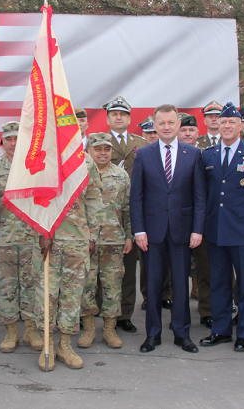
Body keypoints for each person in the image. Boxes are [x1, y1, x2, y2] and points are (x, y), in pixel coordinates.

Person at [131, 104, 206, 355]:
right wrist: (139, 230)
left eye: (171, 122)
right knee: (152, 285)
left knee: (181, 286)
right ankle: (153, 334)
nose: (166, 127)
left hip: (183, 231)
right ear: (155, 124)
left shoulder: (193, 154)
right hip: (151, 232)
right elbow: (137, 197)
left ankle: (182, 333)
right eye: (161, 123)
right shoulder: (144, 154)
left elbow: (199, 197)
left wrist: (198, 229)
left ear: (178, 125)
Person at [200, 103, 244, 352]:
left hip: (243, 231)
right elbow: (204, 194)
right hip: (217, 230)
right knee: (218, 283)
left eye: (232, 122)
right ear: (217, 126)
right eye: (223, 122)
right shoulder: (207, 155)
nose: (227, 126)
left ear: (240, 126)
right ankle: (220, 329)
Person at [34, 153, 102, 371]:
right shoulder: (42, 155)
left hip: (77, 238)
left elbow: (94, 199)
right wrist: (41, 230)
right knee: (47, 293)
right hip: (47, 239)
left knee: (73, 295)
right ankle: (48, 345)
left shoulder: (87, 160)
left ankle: (65, 345)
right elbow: (31, 196)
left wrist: (92, 235)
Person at [0, 122, 41, 353]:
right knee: (5, 288)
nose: (13, 144)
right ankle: (10, 331)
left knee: (30, 285)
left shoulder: (35, 167)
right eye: (8, 139)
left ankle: (31, 330)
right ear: (2, 141)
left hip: (30, 238)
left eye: (17, 139)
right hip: (1, 239)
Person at [79, 133, 133, 350]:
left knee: (113, 286)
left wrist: (129, 236)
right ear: (89, 151)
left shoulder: (121, 175)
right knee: (87, 286)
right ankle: (89, 328)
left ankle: (109, 329)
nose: (103, 153)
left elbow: (128, 209)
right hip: (86, 242)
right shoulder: (80, 174)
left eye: (107, 149)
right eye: (98, 149)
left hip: (114, 241)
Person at [103, 96, 150, 333]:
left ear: (130, 118)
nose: (118, 118)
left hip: (135, 210)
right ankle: (102, 312)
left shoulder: (141, 144)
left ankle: (125, 313)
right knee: (103, 267)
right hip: (107, 211)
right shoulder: (98, 142)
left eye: (122, 114)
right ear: (108, 118)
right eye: (114, 114)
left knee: (129, 266)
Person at [177, 112, 212, 328]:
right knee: (178, 273)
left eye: (192, 130)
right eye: (184, 130)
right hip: (179, 222)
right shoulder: (169, 156)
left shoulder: (207, 156)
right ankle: (179, 316)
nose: (188, 133)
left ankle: (207, 311)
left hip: (204, 222)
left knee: (206, 270)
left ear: (198, 133)